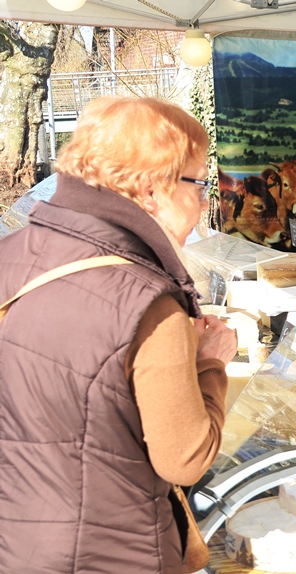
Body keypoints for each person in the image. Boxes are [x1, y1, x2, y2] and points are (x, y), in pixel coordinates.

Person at [0, 97, 236, 572]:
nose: (205, 202)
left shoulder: (11, 254)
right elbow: (186, 458)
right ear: (151, 190)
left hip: (16, 541)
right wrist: (210, 362)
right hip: (112, 555)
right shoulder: (148, 302)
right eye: (199, 184)